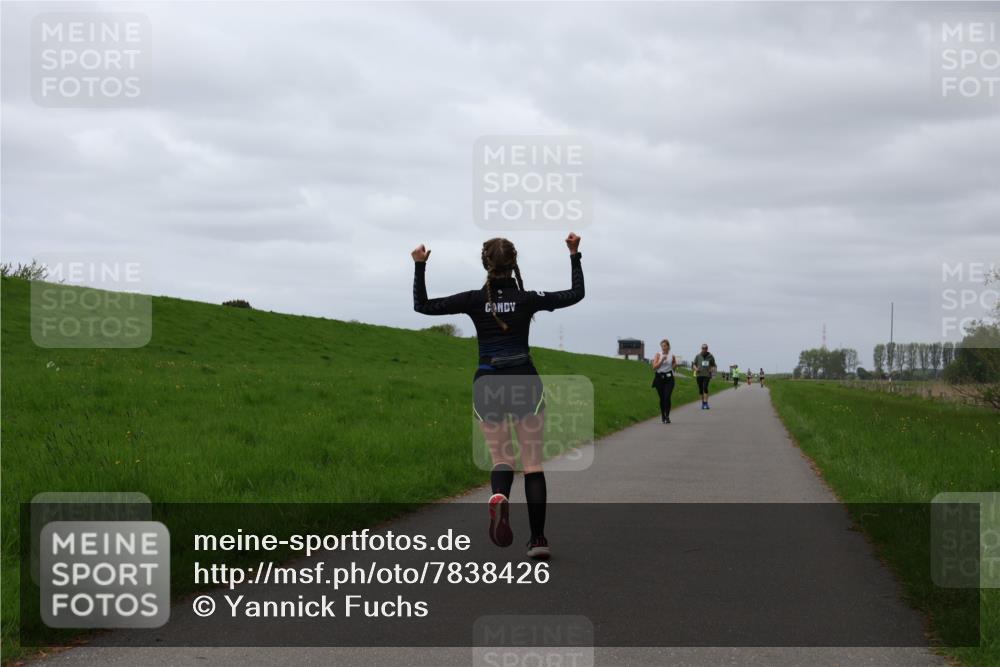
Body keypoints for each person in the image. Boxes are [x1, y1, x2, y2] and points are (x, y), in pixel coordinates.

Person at [412, 233, 584, 560]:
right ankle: (538, 540)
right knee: (532, 465)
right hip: (523, 379)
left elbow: (423, 306)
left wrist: (420, 266)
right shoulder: (528, 298)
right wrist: (574, 254)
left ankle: (500, 496)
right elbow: (576, 293)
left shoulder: (474, 300)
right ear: (514, 264)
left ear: (485, 264)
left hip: (488, 382)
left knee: (502, 458)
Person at [650, 339, 677, 423]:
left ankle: (667, 416)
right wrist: (661, 360)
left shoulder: (672, 355)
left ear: (668, 346)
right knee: (662, 398)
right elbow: (654, 367)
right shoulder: (658, 355)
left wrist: (674, 366)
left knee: (667, 397)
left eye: (665, 346)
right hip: (659, 378)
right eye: (662, 346)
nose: (663, 348)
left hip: (669, 378)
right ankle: (663, 415)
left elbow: (674, 364)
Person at [692, 344, 717, 409]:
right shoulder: (698, 356)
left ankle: (706, 403)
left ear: (707, 349)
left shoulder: (710, 356)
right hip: (699, 375)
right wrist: (696, 369)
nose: (704, 349)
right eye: (703, 348)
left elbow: (714, 365)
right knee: (700, 390)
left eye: (705, 348)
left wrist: (711, 369)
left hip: (707, 375)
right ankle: (703, 403)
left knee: (705, 387)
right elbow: (694, 364)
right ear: (701, 348)